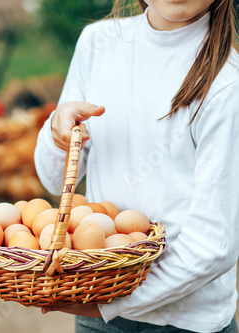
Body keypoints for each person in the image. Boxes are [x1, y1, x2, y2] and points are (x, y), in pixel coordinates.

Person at [34, 0, 239, 332]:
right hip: (100, 309)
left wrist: (111, 303)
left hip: (187, 320)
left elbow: (214, 245)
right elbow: (54, 178)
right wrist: (58, 138)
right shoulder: (98, 43)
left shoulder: (227, 84)